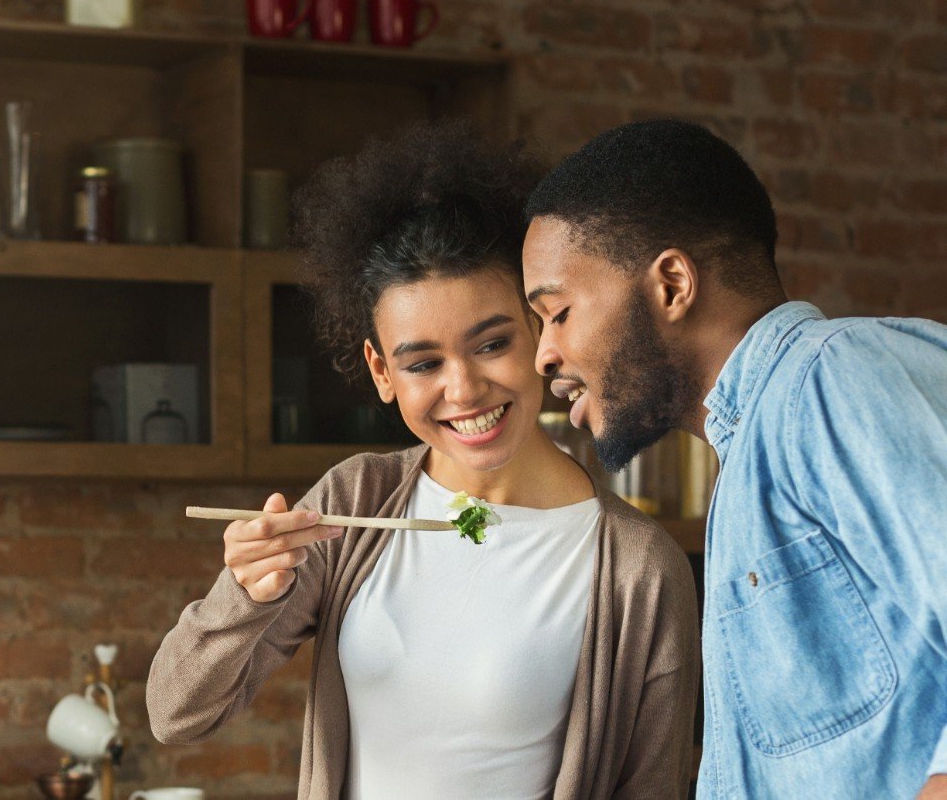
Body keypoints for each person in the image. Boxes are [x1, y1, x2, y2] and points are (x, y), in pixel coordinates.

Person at [147, 120, 698, 799]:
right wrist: (246, 594)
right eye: (423, 362)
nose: (463, 390)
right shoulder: (354, 503)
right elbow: (178, 715)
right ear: (382, 371)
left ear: (538, 331)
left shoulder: (638, 571)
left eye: (492, 344)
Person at [520, 118, 947, 799]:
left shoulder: (827, 380)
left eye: (559, 311)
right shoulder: (752, 452)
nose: (543, 353)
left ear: (671, 286)